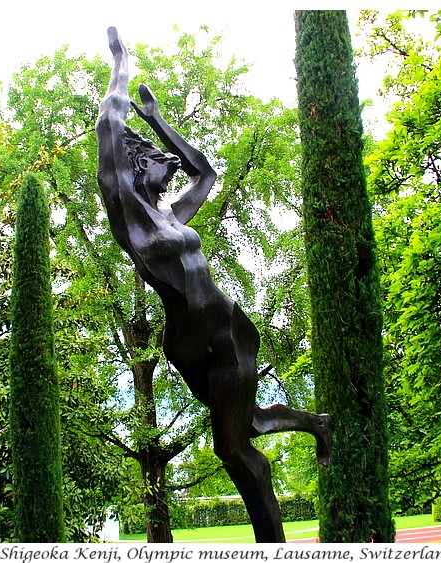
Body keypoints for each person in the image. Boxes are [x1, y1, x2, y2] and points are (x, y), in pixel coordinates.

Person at [96, 27, 331, 543]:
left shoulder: (175, 217)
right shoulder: (135, 223)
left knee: (233, 445)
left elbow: (205, 173)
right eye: (161, 161)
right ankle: (317, 423)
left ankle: (275, 527)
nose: (172, 165)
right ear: (138, 168)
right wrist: (121, 60)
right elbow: (110, 121)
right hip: (188, 348)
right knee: (242, 429)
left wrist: (158, 121)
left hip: (225, 333)